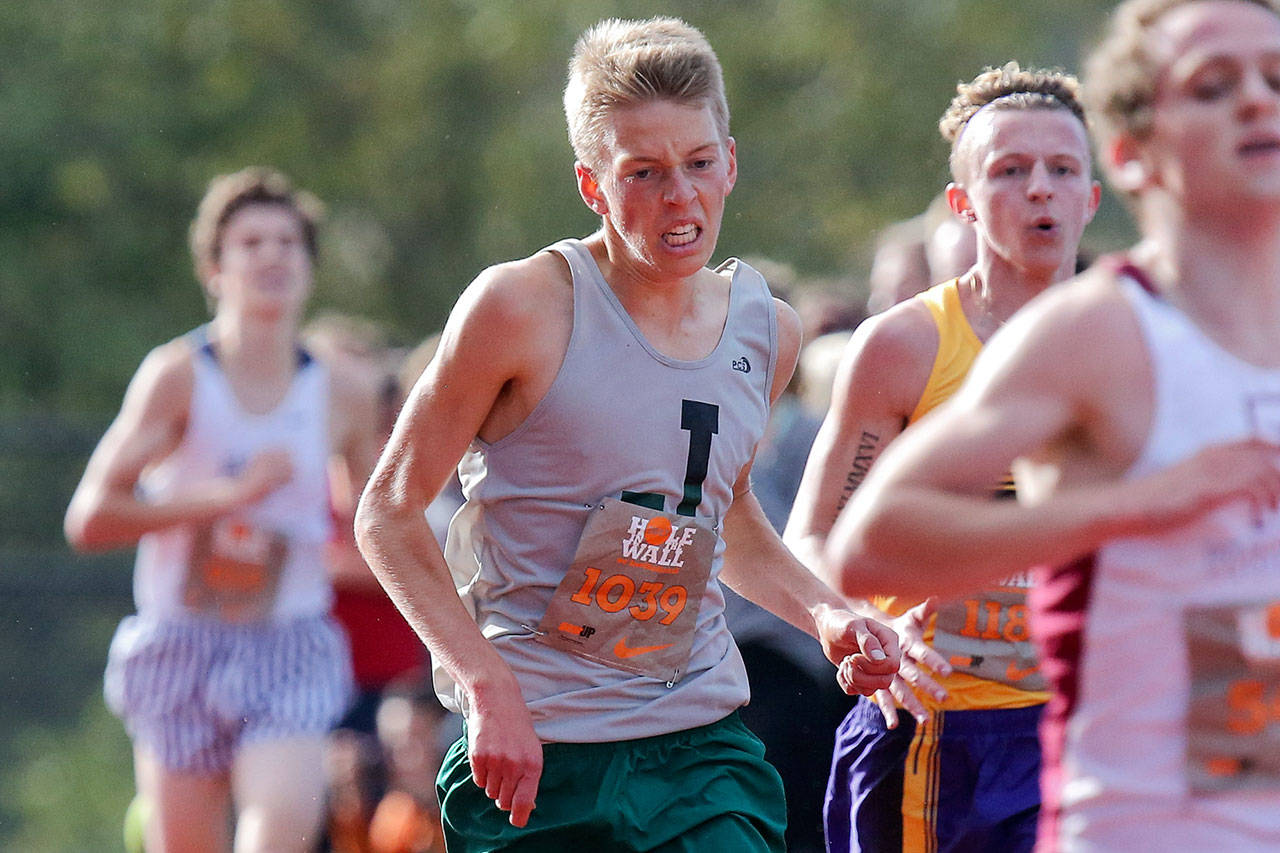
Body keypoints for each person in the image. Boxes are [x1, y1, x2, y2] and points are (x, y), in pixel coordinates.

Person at [353, 17, 900, 852]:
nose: (679, 197)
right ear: (593, 186)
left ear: (731, 162)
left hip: (698, 746)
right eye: (643, 173)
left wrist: (826, 612)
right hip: (539, 752)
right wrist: (483, 681)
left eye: (699, 163)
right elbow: (388, 511)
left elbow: (725, 514)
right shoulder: (520, 309)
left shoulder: (766, 330)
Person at [823, 0, 1280, 849]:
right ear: (1136, 155)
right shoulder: (1093, 332)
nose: (1257, 102)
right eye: (1215, 86)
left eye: (1276, 79)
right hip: (1066, 780)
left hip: (1251, 777)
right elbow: (859, 543)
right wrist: (1137, 508)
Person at [785, 63, 1100, 852]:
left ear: (1093, 197)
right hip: (934, 731)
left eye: (1063, 170)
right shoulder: (904, 346)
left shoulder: (1134, 344)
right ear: (962, 204)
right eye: (1009, 170)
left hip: (1083, 728)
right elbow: (812, 535)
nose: (1040, 190)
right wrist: (859, 625)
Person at [64, 167, 380, 852]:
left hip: (288, 641)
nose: (272, 256)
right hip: (182, 640)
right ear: (215, 268)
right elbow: (90, 517)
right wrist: (225, 499)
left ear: (309, 266)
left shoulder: (344, 392)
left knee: (277, 831)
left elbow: (378, 525)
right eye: (251, 242)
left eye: (288, 243)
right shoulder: (178, 375)